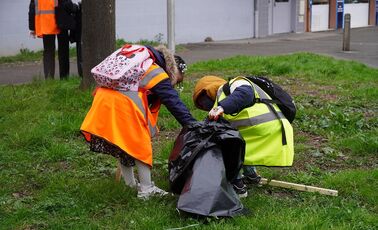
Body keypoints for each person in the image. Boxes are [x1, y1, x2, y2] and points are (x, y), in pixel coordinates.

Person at [80, 45, 196, 199]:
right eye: (176, 81)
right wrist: (193, 125)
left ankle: (130, 184)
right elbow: (173, 101)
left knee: (123, 144)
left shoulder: (138, 63)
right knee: (140, 145)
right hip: (123, 105)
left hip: (103, 100)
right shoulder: (155, 70)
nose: (174, 85)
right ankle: (147, 190)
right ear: (173, 71)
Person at [193, 76, 294, 198]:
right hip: (272, 128)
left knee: (223, 142)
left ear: (208, 89)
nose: (206, 107)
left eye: (203, 102)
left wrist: (222, 107)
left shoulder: (235, 83)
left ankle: (237, 185)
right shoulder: (227, 96)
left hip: (264, 126)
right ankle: (251, 175)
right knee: (238, 140)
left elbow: (246, 93)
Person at [29, 0, 70, 79]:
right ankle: (64, 77)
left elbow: (32, 8)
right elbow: (67, 4)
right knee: (63, 50)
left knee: (48, 51)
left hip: (46, 24)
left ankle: (49, 78)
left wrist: (32, 27)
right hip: (61, 21)